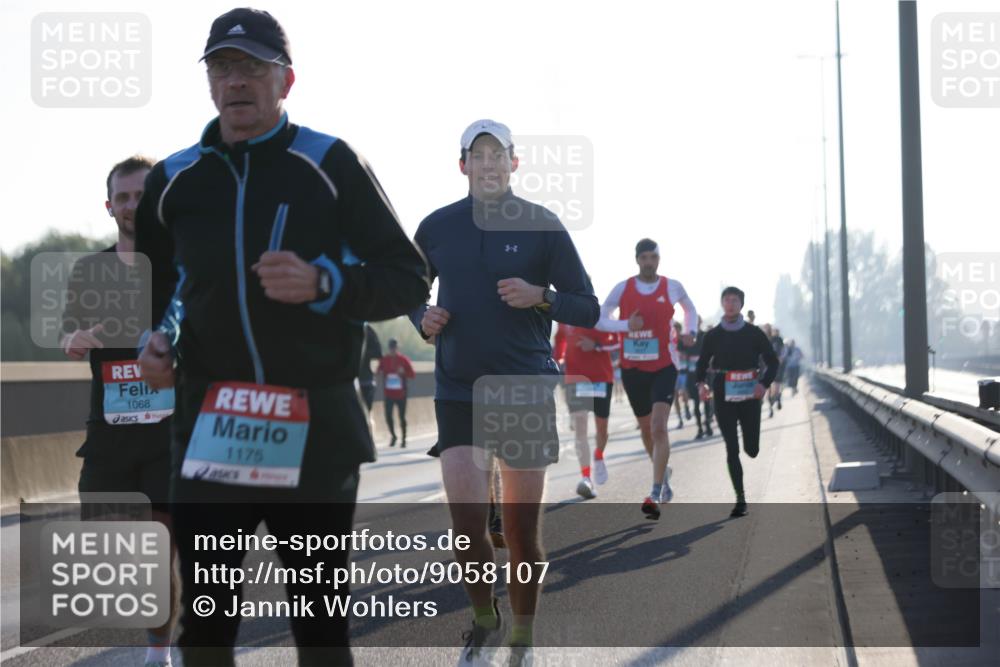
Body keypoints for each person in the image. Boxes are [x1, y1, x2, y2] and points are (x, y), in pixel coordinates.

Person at [135, 9, 429, 665]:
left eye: (252, 68)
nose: (236, 82)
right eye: (222, 68)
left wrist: (325, 284)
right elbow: (159, 291)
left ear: (285, 80)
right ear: (209, 83)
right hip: (211, 430)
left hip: (315, 431)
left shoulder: (330, 162)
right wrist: (154, 342)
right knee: (207, 627)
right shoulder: (173, 180)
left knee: (319, 627)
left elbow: (409, 277)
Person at [412, 119, 599, 664]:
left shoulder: (542, 225)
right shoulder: (438, 226)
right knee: (467, 526)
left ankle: (523, 634)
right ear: (463, 164)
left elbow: (586, 305)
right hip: (458, 388)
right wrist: (421, 315)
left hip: (523, 388)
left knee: (519, 529)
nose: (489, 164)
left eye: (500, 155)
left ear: (514, 163)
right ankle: (482, 611)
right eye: (479, 155)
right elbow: (408, 288)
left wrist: (541, 295)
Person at [62, 155, 177, 667]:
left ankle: (160, 653)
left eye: (143, 195)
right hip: (108, 433)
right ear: (110, 206)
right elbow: (68, 327)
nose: (133, 205)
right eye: (124, 197)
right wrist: (74, 337)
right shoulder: (91, 270)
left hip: (170, 432)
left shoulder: (182, 266)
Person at [596, 238, 698, 520]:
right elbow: (600, 318)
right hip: (633, 369)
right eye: (644, 258)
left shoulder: (672, 286)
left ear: (659, 259)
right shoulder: (623, 288)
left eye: (653, 257)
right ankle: (663, 474)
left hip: (664, 365)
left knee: (658, 427)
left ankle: (655, 491)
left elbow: (691, 310)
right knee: (645, 428)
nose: (649, 262)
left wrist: (691, 331)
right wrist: (626, 325)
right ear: (637, 260)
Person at [695, 287, 779, 518]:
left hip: (751, 393)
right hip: (723, 393)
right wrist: (701, 384)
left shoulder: (754, 333)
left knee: (751, 449)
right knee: (731, 447)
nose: (730, 304)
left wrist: (764, 384)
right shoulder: (713, 336)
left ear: (741, 304)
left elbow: (772, 362)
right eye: (727, 300)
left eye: (735, 300)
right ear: (722, 303)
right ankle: (740, 498)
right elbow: (701, 364)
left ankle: (751, 446)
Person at [553, 320, 617, 498]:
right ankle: (586, 478)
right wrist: (559, 357)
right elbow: (560, 339)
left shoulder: (599, 317)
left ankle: (598, 454)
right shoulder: (564, 318)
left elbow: (617, 342)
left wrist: (596, 345)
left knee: (601, 431)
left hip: (601, 378)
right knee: (580, 427)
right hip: (576, 378)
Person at [678, 316, 714, 439]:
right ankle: (699, 428)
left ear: (700, 322)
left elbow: (712, 353)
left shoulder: (706, 335)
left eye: (697, 321)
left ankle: (708, 424)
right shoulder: (685, 338)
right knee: (696, 402)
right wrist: (682, 373)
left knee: (707, 400)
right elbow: (681, 355)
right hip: (692, 374)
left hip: (705, 373)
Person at [377, 338, 415, 447]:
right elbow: (378, 371)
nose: (393, 350)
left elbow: (412, 375)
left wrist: (404, 372)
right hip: (388, 394)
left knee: (401, 416)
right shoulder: (384, 359)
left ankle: (404, 439)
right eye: (391, 348)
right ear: (389, 348)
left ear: (397, 348)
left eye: (395, 348)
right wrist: (379, 373)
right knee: (388, 416)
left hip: (401, 394)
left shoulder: (403, 359)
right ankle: (393, 436)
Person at [670, 321, 692, 430]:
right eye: (674, 330)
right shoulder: (669, 340)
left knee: (684, 391)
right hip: (672, 373)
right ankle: (680, 419)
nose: (675, 332)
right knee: (674, 397)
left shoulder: (684, 340)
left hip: (683, 371)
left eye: (677, 329)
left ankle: (687, 407)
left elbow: (691, 352)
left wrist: (684, 356)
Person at [358, 323, 382, 411]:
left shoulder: (368, 330)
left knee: (366, 412)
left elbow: (378, 354)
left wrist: (362, 353)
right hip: (346, 385)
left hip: (365, 382)